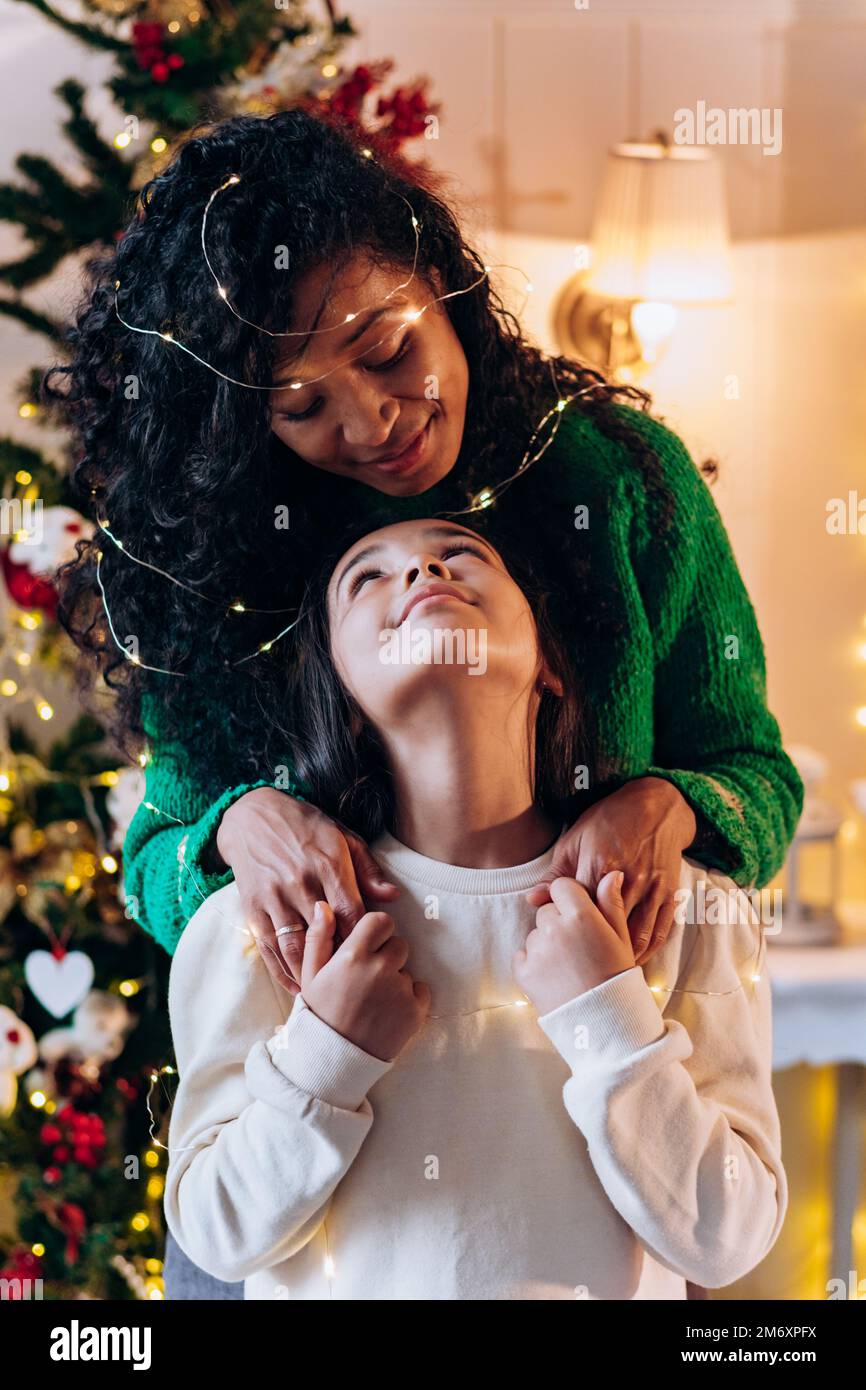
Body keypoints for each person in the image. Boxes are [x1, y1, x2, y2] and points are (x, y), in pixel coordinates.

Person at [50, 107, 803, 1002]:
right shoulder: (221, 555)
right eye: (300, 408)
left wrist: (668, 806)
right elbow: (154, 861)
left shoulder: (623, 480)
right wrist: (233, 829)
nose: (372, 422)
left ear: (438, 279)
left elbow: (755, 776)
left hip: (610, 1047)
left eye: (390, 351)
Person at [162, 518, 787, 1300]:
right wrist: (326, 1056)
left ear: (551, 664)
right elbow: (216, 1235)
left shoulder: (681, 911)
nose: (423, 569)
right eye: (367, 577)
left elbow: (728, 1241)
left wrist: (609, 1019)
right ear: (343, 697)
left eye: (461, 554)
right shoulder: (266, 924)